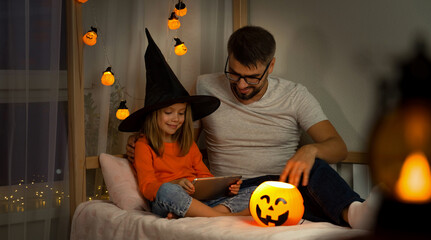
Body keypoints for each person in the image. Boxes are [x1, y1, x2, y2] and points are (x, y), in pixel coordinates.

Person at [127, 26, 375, 229]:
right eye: (234, 74)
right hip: (233, 189)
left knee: (314, 170)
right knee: (293, 208)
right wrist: (148, 138)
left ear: (271, 66)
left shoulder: (295, 95)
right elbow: (182, 142)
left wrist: (311, 151)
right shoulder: (205, 87)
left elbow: (338, 148)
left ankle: (355, 212)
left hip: (282, 185)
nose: (242, 85)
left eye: (252, 77)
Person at [119, 28, 249, 219]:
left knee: (253, 191)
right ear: (153, 115)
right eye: (169, 112)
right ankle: (219, 216)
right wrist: (176, 184)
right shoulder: (143, 145)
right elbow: (148, 187)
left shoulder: (188, 144)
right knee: (167, 192)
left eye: (181, 113)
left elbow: (205, 177)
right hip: (168, 199)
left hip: (198, 199)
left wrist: (225, 188)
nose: (176, 119)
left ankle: (197, 213)